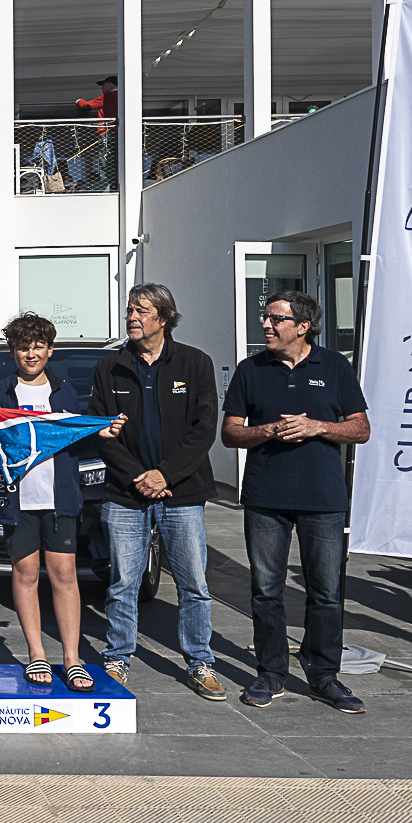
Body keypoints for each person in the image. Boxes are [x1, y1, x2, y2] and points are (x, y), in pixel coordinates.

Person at [221, 290, 372, 713]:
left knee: (325, 593)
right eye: (265, 318)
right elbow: (230, 433)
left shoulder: (335, 366)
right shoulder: (251, 370)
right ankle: (271, 672)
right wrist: (268, 431)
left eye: (275, 319)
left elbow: (361, 430)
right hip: (265, 497)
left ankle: (324, 675)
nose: (265, 326)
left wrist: (317, 426)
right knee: (266, 590)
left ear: (303, 326)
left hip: (322, 499)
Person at [0, 312, 125, 691]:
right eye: (23, 347)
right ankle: (36, 654)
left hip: (60, 499)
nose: (30, 354)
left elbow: (74, 439)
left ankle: (72, 659)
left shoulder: (65, 392)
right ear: (13, 352)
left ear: (50, 351)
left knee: (65, 577)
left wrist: (103, 431)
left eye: (38, 346)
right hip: (17, 500)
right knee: (24, 575)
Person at [89, 282, 224, 699]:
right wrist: (138, 477)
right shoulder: (109, 367)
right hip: (126, 494)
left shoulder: (195, 364)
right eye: (130, 309)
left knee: (193, 583)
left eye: (142, 310)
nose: (132, 316)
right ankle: (117, 657)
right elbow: (101, 431)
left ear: (163, 318)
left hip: (180, 494)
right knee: (122, 582)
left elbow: (204, 431)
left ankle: (200, 663)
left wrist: (165, 475)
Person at [76, 76, 118, 191]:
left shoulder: (107, 96)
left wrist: (79, 101)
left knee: (107, 162)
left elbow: (87, 106)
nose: (102, 89)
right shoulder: (125, 96)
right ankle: (118, 183)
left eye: (103, 86)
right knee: (118, 161)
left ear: (110, 85)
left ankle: (114, 186)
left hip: (107, 134)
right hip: (121, 134)